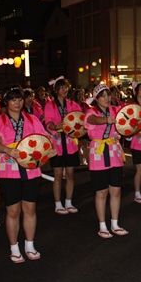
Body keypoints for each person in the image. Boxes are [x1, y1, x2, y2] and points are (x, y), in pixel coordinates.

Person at [0, 86, 54, 263]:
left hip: (30, 168)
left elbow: (43, 138)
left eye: (19, 99)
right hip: (9, 170)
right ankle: (14, 247)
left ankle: (30, 244)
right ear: (6, 102)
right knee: (13, 210)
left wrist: (50, 149)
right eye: (13, 99)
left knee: (30, 209)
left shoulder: (32, 119)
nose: (17, 103)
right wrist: (6, 149)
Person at [84, 83, 128, 239]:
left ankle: (115, 223)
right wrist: (106, 120)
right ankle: (102, 225)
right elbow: (93, 120)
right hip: (99, 152)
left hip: (114, 150)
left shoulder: (116, 110)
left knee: (116, 190)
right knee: (101, 191)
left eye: (108, 95)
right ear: (96, 99)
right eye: (103, 96)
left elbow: (124, 124)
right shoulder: (91, 111)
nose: (107, 98)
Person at [44, 77, 82, 214]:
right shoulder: (50, 105)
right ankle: (58, 203)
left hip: (70, 142)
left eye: (66, 87)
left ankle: (69, 202)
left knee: (71, 174)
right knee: (58, 175)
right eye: (61, 87)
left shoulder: (73, 104)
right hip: (57, 144)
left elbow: (80, 119)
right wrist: (55, 126)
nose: (64, 89)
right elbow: (48, 123)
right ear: (56, 90)